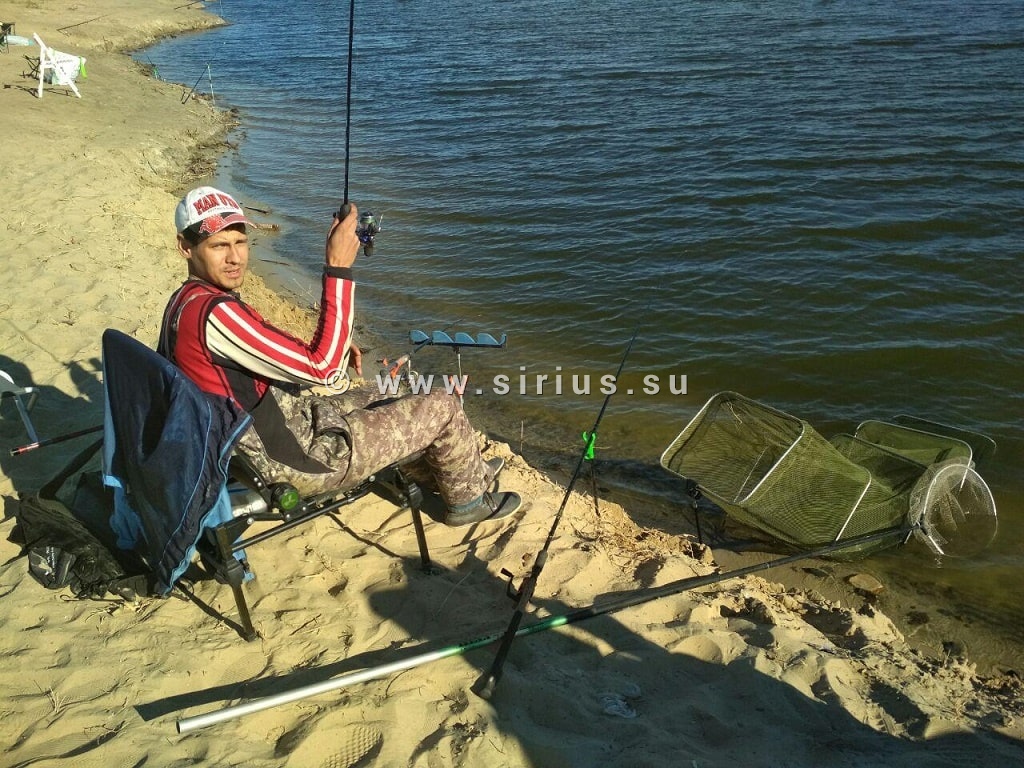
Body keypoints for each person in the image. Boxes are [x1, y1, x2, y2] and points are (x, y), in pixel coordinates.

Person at [158, 186, 521, 526]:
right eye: (219, 245)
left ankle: (461, 469)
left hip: (268, 432)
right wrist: (338, 268)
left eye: (240, 242)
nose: (235, 257)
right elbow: (325, 370)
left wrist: (338, 339)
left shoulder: (187, 301)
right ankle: (468, 501)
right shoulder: (216, 314)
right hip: (297, 459)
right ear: (185, 247)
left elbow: (270, 349)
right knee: (443, 404)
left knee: (390, 392)